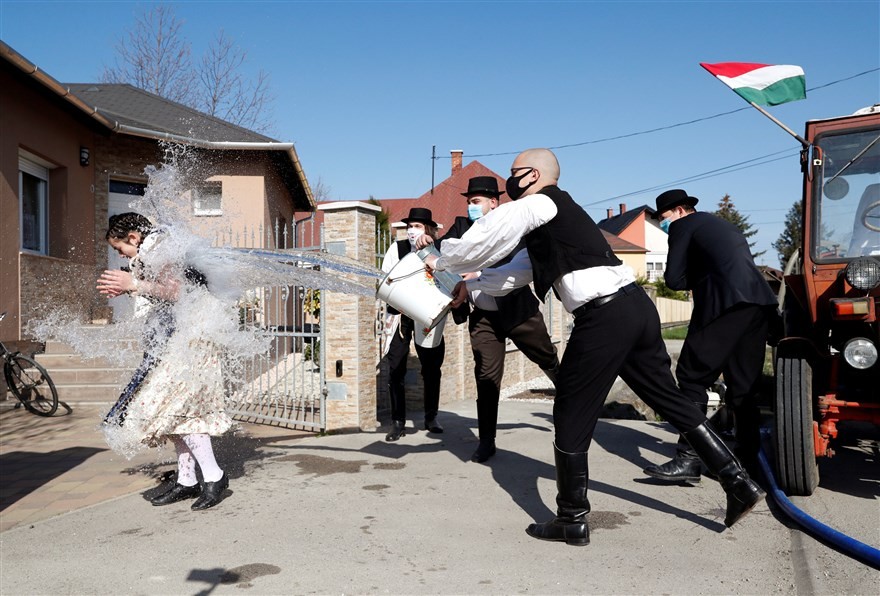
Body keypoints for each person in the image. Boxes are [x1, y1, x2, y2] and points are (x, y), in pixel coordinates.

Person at [424, 149, 765, 546]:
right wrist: (471, 284)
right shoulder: (557, 219)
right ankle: (738, 482)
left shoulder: (539, 202)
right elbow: (513, 275)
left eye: (513, 173)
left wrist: (440, 257)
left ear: (532, 175)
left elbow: (479, 240)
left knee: (569, 409)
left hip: (604, 316)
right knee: (669, 398)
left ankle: (571, 516)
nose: (509, 181)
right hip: (634, 307)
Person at [97, 212, 232, 511]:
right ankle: (187, 479)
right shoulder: (151, 251)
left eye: (120, 248)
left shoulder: (159, 248)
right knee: (174, 408)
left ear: (133, 238)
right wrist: (129, 286)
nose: (120, 254)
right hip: (183, 335)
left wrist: (132, 284)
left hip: (196, 336)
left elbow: (176, 291)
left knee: (177, 405)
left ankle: (214, 476)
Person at [642, 189, 778, 482]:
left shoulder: (682, 226)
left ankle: (689, 459)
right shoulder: (721, 225)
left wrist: (697, 277)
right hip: (758, 304)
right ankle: (746, 460)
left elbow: (673, 279)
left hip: (724, 306)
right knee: (744, 385)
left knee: (692, 377)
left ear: (679, 210)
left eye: (663, 217)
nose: (663, 223)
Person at [436, 176, 559, 463]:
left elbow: (516, 267)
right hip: (483, 318)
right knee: (486, 378)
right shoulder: (461, 228)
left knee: (546, 357)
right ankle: (487, 441)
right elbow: (441, 254)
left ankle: (569, 404)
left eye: (476, 202)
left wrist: (475, 276)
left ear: (494, 202)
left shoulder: (513, 227)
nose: (471, 207)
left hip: (517, 310)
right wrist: (429, 243)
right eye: (468, 202)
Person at [380, 207, 446, 441]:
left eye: (417, 226)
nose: (412, 230)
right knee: (395, 367)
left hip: (428, 317)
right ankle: (398, 422)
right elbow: (385, 279)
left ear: (428, 229)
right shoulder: (396, 249)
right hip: (399, 317)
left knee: (432, 368)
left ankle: (431, 416)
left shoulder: (438, 250)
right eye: (409, 226)